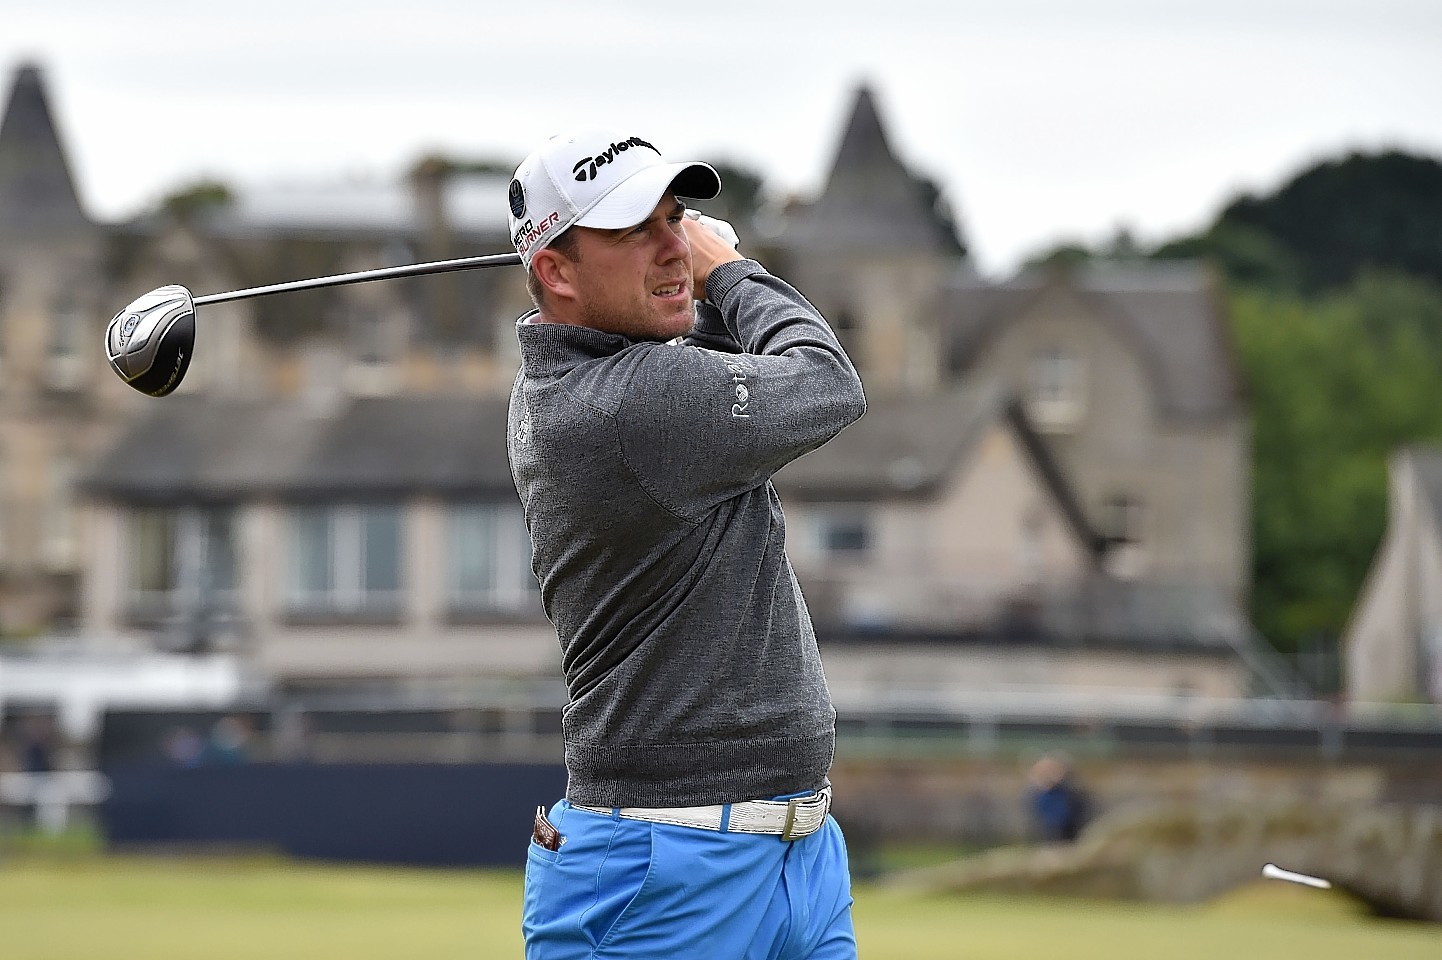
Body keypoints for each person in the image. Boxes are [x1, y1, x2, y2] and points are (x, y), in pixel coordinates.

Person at [506, 129, 867, 960]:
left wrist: (691, 275)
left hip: (795, 852)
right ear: (556, 271)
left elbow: (709, 360)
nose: (674, 246)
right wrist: (729, 271)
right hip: (663, 874)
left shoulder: (611, 380)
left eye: (677, 219)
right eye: (637, 230)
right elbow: (824, 381)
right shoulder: (628, 405)